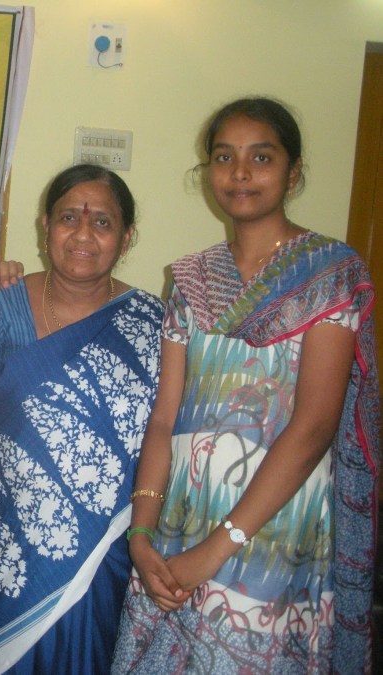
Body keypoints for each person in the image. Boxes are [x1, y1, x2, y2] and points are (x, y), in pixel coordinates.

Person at [111, 97, 380, 673]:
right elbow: (164, 417)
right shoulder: (190, 279)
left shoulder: (328, 274)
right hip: (180, 524)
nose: (239, 173)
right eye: (223, 157)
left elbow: (315, 427)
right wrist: (142, 533)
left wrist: (217, 548)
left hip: (273, 533)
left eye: (261, 157)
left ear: (293, 171)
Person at [0, 164, 165, 674]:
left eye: (102, 222)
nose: (83, 234)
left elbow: (165, 440)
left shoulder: (152, 324)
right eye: (69, 217)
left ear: (126, 236)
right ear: (45, 225)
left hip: (101, 559)